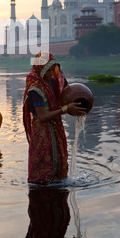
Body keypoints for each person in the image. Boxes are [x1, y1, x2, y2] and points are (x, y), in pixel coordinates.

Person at [23, 52, 86, 185]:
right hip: (42, 132)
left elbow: (66, 90)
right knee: (44, 164)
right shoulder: (35, 89)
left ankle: (58, 182)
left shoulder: (52, 82)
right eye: (48, 69)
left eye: (53, 69)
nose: (51, 73)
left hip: (56, 127)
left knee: (58, 159)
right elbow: (41, 116)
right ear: (40, 69)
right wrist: (65, 109)